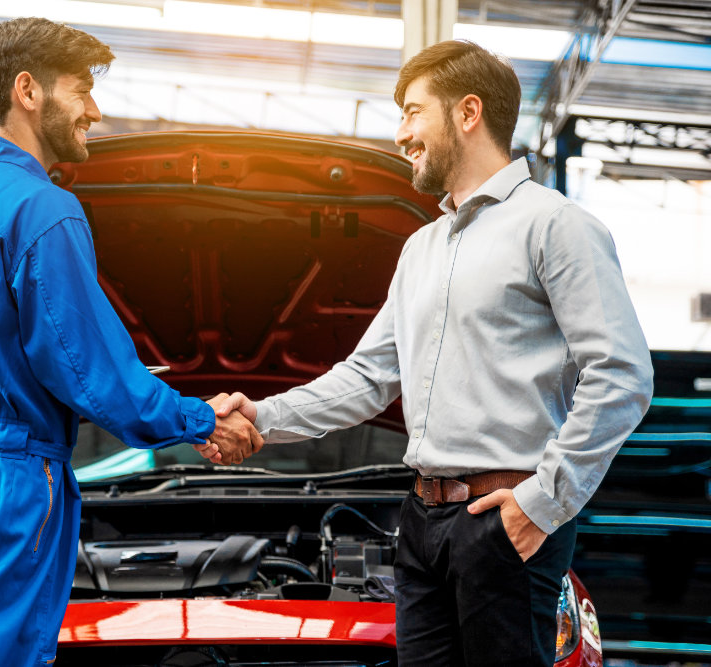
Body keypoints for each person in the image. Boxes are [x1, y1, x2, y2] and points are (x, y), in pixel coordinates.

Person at [199, 39, 653, 666]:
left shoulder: (556, 226)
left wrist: (542, 503)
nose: (402, 133)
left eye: (413, 112)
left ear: (468, 112)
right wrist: (260, 417)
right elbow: (367, 377)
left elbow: (623, 375)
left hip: (504, 518)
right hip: (421, 523)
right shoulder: (421, 248)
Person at [0, 17, 262, 667]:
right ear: (29, 90)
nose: (95, 111)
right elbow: (90, 371)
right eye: (82, 90)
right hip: (8, 486)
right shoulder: (42, 208)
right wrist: (198, 417)